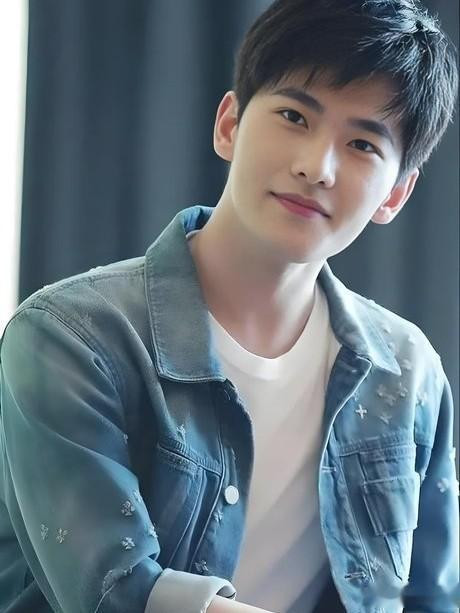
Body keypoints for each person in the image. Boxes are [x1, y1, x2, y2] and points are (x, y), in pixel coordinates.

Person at [0, 0, 458, 611]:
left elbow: (433, 597)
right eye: (294, 116)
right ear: (229, 125)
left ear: (396, 193)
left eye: (361, 145)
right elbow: (117, 592)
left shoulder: (408, 373)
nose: (316, 167)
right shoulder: (68, 336)